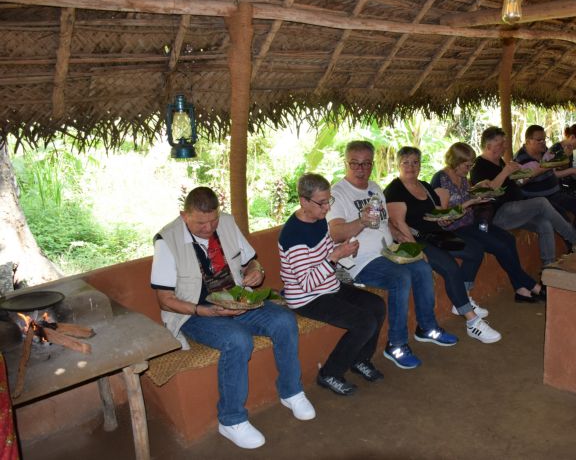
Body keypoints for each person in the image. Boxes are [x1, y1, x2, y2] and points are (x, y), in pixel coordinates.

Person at [150, 187, 315, 450]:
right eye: (201, 223)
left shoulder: (226, 223)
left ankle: (291, 391)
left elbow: (251, 262)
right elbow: (165, 299)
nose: (209, 228)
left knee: (284, 320)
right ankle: (231, 420)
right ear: (184, 215)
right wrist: (204, 311)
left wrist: (256, 271)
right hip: (196, 313)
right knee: (237, 340)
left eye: (213, 220)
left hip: (237, 300)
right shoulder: (167, 241)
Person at [328, 141, 458, 370]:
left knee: (422, 267)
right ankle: (396, 344)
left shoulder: (374, 188)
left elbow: (386, 223)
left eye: (366, 163)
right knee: (400, 277)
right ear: (345, 163)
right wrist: (361, 221)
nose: (361, 169)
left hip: (389, 252)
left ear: (372, 164)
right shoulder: (337, 194)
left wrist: (406, 242)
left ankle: (427, 327)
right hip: (360, 261)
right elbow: (336, 233)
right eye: (355, 163)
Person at [278, 173, 386, 396]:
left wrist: (343, 250)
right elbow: (307, 283)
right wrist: (335, 256)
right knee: (364, 322)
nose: (327, 208)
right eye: (322, 203)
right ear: (304, 201)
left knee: (376, 305)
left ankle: (360, 360)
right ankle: (329, 374)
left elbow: (326, 252)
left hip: (329, 286)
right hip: (307, 299)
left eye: (329, 201)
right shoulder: (293, 235)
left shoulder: (318, 219)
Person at [383, 146, 503, 338]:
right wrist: (416, 250)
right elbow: (398, 223)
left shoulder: (424, 186)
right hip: (416, 240)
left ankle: (462, 299)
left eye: (415, 162)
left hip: (437, 235)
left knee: (475, 250)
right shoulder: (394, 189)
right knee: (450, 267)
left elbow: (439, 213)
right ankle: (472, 322)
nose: (411, 166)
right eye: (406, 162)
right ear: (398, 165)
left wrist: (450, 215)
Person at [430, 143, 548, 303]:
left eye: (471, 165)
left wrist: (478, 188)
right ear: (455, 162)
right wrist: (471, 202)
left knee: (508, 239)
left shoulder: (461, 176)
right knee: (500, 246)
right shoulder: (441, 180)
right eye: (466, 165)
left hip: (471, 223)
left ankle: (520, 289)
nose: (469, 169)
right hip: (455, 229)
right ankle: (532, 285)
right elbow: (444, 217)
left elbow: (465, 195)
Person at [469, 127, 576, 266]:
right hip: (498, 214)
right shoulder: (478, 167)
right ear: (488, 146)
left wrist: (520, 176)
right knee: (542, 202)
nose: (505, 147)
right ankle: (575, 238)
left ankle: (549, 266)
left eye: (505, 143)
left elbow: (513, 183)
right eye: (501, 144)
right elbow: (487, 193)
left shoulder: (499, 161)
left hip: (515, 209)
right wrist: (505, 172)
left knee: (544, 224)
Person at [513, 124, 576, 236]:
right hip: (538, 199)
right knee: (563, 219)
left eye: (544, 139)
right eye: (539, 140)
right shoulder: (520, 159)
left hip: (555, 194)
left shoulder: (544, 150)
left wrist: (565, 158)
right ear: (528, 141)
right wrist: (545, 167)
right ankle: (574, 243)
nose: (543, 142)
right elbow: (519, 182)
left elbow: (557, 168)